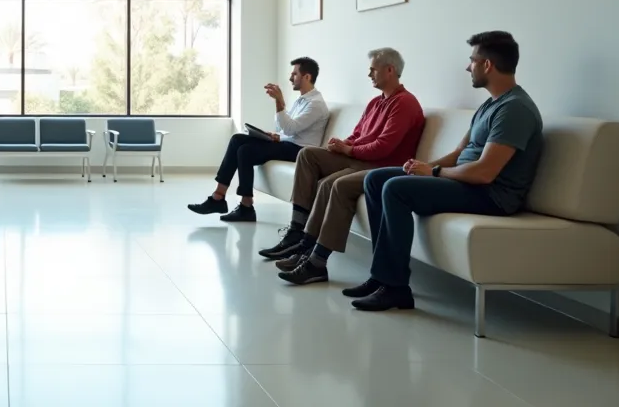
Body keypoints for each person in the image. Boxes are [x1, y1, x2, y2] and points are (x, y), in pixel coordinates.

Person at [348, 32, 543, 311]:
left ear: (487, 65)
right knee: (377, 179)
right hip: (470, 184)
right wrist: (420, 168)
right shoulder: (490, 105)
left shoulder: (515, 109)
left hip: (492, 195)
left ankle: (395, 288)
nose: (468, 67)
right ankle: (380, 276)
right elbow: (459, 154)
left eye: (472, 61)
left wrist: (434, 172)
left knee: (395, 189)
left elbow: (485, 173)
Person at [260, 47, 425, 279]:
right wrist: (343, 143)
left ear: (390, 70)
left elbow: (384, 147)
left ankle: (316, 261)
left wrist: (349, 149)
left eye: (373, 70)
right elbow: (358, 134)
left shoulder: (405, 103)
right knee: (308, 154)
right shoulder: (375, 103)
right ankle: (299, 234)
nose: (369, 75)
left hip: (381, 166)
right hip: (359, 158)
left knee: (331, 184)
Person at [188, 57, 328, 222]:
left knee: (245, 151)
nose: (290, 78)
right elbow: (286, 129)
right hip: (289, 143)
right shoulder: (302, 100)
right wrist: (277, 135)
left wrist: (279, 102)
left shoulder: (316, 104)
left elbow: (290, 128)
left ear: (307, 77)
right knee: (237, 140)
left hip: (301, 151)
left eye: (294, 74)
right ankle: (218, 197)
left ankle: (245, 206)